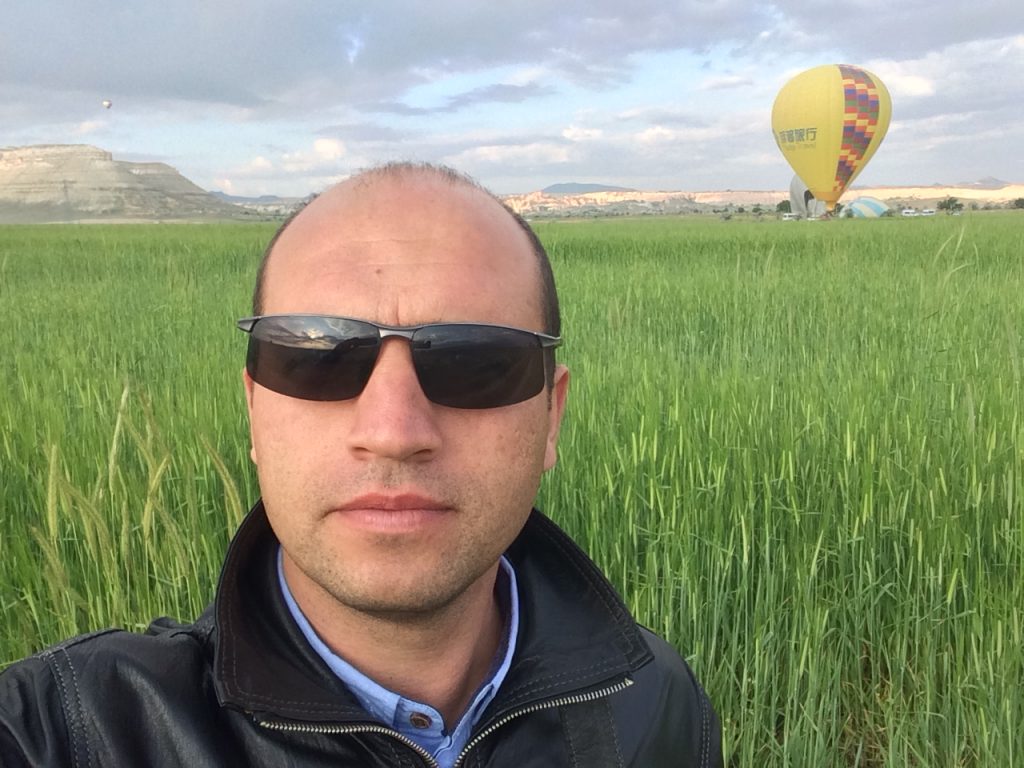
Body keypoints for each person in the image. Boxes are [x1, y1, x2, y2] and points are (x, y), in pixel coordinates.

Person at [0, 163, 722, 766]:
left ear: (550, 418)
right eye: (315, 358)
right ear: (255, 411)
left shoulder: (655, 699)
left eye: (476, 362)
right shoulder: (61, 730)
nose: (393, 430)